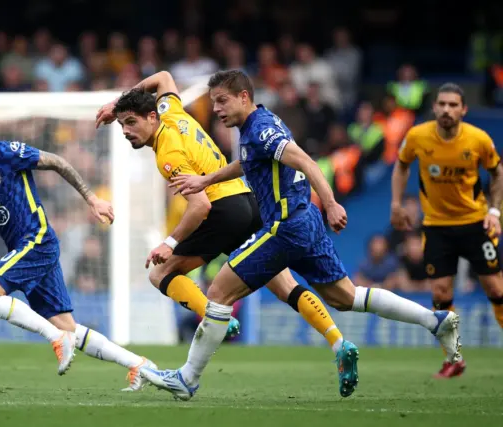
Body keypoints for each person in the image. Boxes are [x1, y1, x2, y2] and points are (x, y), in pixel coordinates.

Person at [140, 70, 461, 401]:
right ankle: (435, 321)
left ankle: (188, 378)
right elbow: (247, 163)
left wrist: (333, 203)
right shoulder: (257, 126)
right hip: (304, 222)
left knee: (219, 291)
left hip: (285, 225)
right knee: (345, 297)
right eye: (214, 102)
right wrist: (205, 182)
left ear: (243, 97)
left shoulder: (261, 131)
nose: (217, 109)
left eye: (222, 101)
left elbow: (307, 161)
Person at [96, 73, 353, 379]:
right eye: (122, 124)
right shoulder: (171, 111)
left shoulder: (167, 153)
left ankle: (213, 318)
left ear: (151, 117)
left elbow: (200, 205)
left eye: (131, 123)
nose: (125, 131)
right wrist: (119, 102)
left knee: (160, 273)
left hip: (224, 210)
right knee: (285, 286)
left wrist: (170, 242)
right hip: (248, 200)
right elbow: (164, 77)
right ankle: (339, 343)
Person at [0, 100, 154, 391]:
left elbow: (57, 161)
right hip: (24, 247)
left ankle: (55, 338)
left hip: (37, 238)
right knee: (67, 325)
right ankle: (138, 363)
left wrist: (91, 198)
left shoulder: (4, 153)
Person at [391, 82, 503, 378]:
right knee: (441, 293)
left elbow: (497, 172)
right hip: (437, 227)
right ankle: (453, 358)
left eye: (453, 105)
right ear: (434, 107)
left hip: (475, 223)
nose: (446, 109)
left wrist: (495, 211)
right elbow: (401, 165)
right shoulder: (417, 136)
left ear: (463, 109)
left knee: (496, 288)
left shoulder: (478, 139)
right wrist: (396, 203)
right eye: (441, 104)